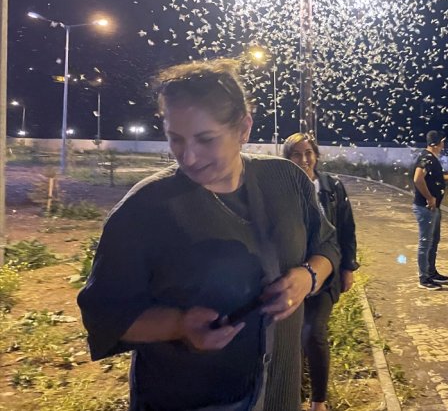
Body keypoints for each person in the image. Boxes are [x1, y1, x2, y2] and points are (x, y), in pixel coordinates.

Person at [78, 59, 340, 411]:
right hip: (186, 398)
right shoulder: (145, 209)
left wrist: (308, 277)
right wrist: (179, 325)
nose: (188, 156)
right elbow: (103, 315)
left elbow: (327, 245)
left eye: (206, 139)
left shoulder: (287, 180)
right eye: (175, 139)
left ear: (243, 128)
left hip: (279, 392)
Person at [282, 133, 359, 411]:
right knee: (293, 339)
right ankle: (295, 395)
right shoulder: (281, 188)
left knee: (313, 332)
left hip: (326, 272)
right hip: (290, 272)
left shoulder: (331, 187)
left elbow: (347, 228)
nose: (304, 159)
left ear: (316, 155)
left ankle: (318, 401)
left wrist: (348, 267)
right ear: (287, 158)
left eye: (308, 153)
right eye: (296, 154)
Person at [412, 130, 448, 290]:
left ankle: (431, 272)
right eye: (442, 141)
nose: (443, 145)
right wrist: (429, 197)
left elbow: (435, 178)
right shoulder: (426, 157)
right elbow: (418, 178)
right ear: (437, 143)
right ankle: (424, 279)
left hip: (433, 208)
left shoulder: (431, 158)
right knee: (425, 243)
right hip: (426, 207)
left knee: (433, 241)